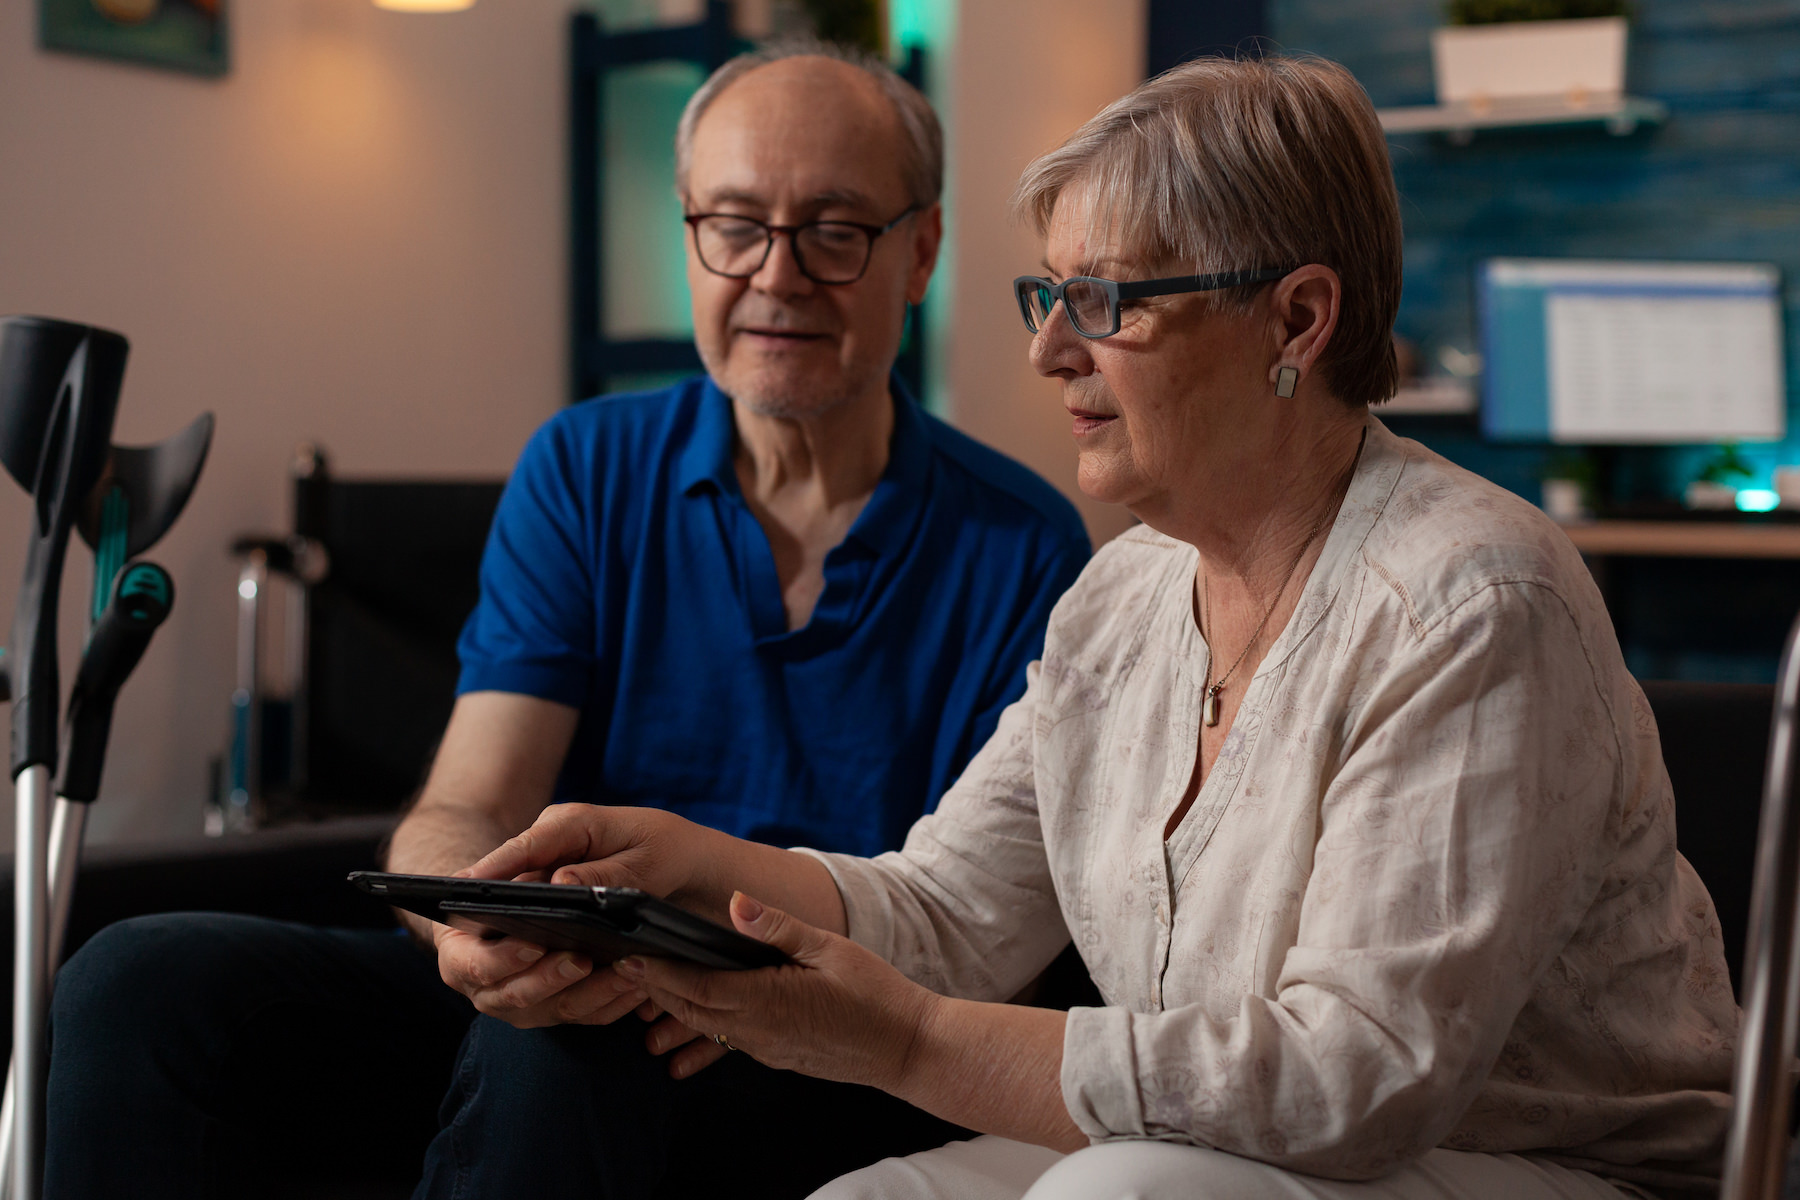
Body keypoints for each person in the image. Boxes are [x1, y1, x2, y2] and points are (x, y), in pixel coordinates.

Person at [458, 54, 1740, 1200]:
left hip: (1542, 1165)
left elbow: (1359, 1077)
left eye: (1110, 301)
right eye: (1048, 295)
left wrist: (901, 1041)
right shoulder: (1123, 599)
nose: (1050, 353)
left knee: (1118, 1196)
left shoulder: (1469, 597)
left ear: (1298, 319)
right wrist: (699, 866)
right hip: (1219, 1146)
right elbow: (954, 909)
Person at [44, 39, 1090, 1200]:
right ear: (687, 235)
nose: (776, 277)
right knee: (134, 982)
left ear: (921, 251)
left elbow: (971, 925)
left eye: (834, 231)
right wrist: (463, 932)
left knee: (566, 1049)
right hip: (554, 993)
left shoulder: (1026, 545)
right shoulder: (586, 468)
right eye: (734, 226)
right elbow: (469, 801)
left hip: (812, 1044)